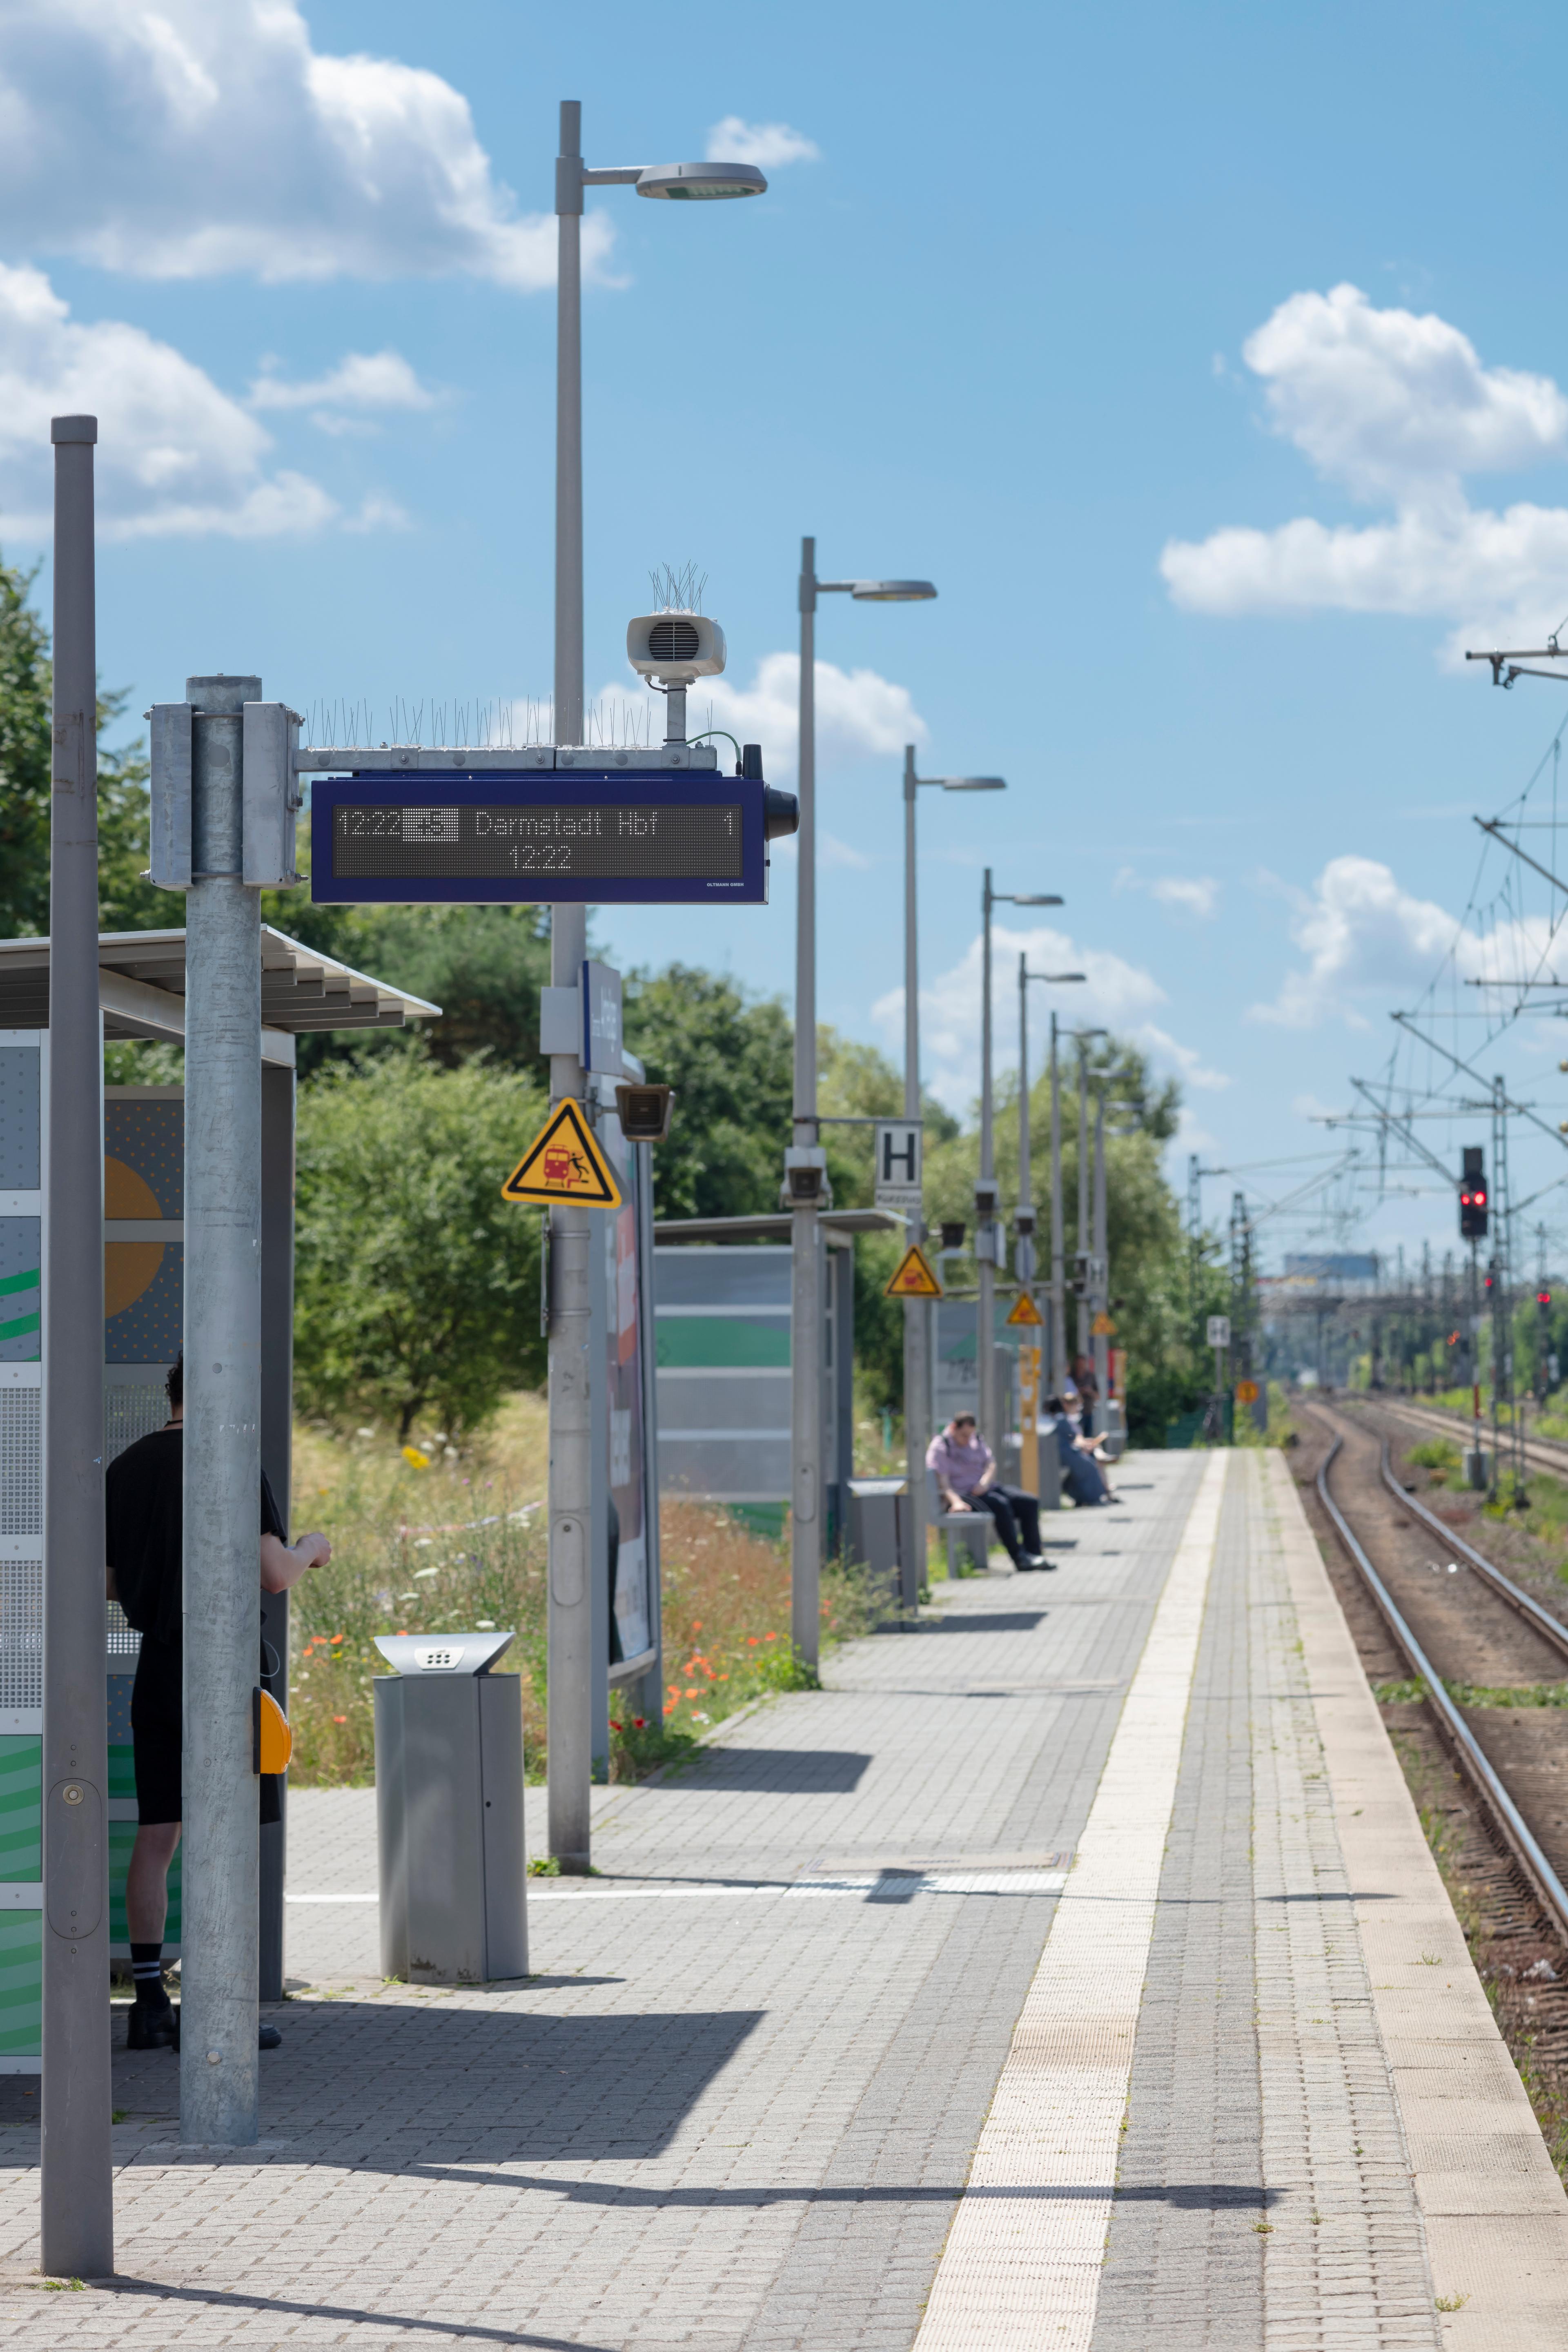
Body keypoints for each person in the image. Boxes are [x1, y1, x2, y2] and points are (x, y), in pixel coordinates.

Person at [105, 1353, 331, 2053]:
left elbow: (109, 1585)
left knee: (159, 1834)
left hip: (158, 1670)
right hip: (223, 1669)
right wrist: (313, 1548)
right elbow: (273, 1574)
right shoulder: (231, 1464)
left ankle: (149, 2001)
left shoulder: (127, 1467)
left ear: (168, 1393)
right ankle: (220, 2004)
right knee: (225, 1837)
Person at [927, 1411, 1050, 1570]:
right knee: (1001, 1505)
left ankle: (1034, 1555)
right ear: (953, 1428)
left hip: (985, 1488)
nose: (967, 1440)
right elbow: (943, 1484)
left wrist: (984, 1483)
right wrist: (956, 1502)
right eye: (964, 1435)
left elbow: (991, 1464)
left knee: (1029, 1502)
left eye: (970, 1435)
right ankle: (1019, 1557)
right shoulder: (942, 1446)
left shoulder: (975, 1439)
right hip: (964, 1494)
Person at [1043, 1392, 1116, 1506]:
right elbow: (1073, 1436)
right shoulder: (1062, 1419)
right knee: (1090, 1467)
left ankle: (1085, 1497)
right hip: (1066, 1454)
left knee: (1089, 1465)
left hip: (1063, 1453)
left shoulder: (1054, 1419)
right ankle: (1093, 1498)